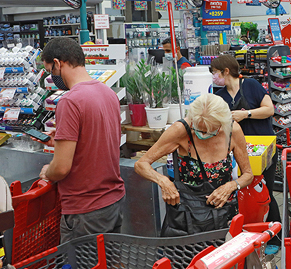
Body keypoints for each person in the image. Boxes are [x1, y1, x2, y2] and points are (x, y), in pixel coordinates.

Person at [36, 38, 125, 243]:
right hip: (113, 200)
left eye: (50, 70)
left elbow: (60, 169)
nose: (52, 77)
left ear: (58, 63)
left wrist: (47, 171)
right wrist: (59, 142)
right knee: (109, 267)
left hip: (85, 209)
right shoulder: (108, 93)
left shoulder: (69, 101)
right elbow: (96, 139)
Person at [135, 94, 253, 234]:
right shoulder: (181, 130)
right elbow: (141, 164)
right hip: (186, 218)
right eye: (199, 129)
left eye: (211, 130)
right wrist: (163, 181)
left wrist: (231, 186)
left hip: (223, 215)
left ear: (223, 124)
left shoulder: (233, 131)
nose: (203, 134)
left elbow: (248, 175)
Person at [211, 55, 281, 253]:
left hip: (263, 147)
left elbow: (269, 109)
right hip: (239, 151)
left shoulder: (250, 85)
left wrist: (246, 114)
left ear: (226, 71)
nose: (214, 77)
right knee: (244, 192)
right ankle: (250, 232)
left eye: (215, 72)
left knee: (264, 189)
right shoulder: (220, 95)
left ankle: (275, 235)